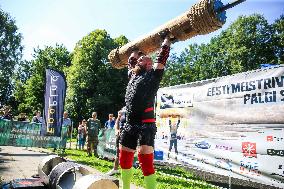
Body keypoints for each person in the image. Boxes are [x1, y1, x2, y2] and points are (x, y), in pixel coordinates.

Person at [119, 35, 171, 189]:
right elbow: (131, 60)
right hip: (129, 124)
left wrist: (167, 40)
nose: (148, 62)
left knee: (145, 161)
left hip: (145, 125)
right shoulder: (132, 75)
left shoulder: (154, 75)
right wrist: (135, 49)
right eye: (144, 60)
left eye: (150, 61)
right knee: (124, 160)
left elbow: (162, 58)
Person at [106, 107, 126, 176]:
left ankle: (126, 170)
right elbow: (118, 119)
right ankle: (115, 169)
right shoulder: (123, 109)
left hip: (130, 135)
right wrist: (116, 129)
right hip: (120, 135)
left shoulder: (136, 108)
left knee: (128, 153)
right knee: (118, 153)